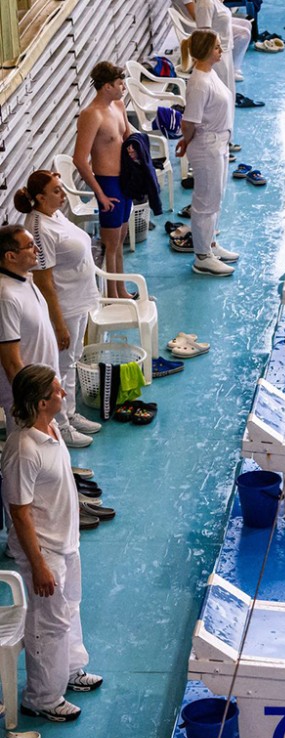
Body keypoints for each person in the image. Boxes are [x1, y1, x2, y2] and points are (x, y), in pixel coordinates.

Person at [3, 365, 103, 723]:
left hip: (65, 542)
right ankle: (42, 696)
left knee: (69, 608)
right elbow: (19, 512)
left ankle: (71, 669)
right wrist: (39, 565)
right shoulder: (24, 449)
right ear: (42, 401)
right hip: (43, 550)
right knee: (48, 622)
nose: (64, 394)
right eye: (58, 391)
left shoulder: (51, 428)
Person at [14, 171, 103, 448]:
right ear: (40, 198)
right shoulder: (38, 228)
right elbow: (44, 280)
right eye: (56, 190)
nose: (62, 194)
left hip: (78, 302)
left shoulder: (55, 215)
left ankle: (71, 413)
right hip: (63, 308)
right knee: (58, 368)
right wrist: (59, 322)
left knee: (72, 360)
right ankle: (61, 425)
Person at [177, 30, 238, 276]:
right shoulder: (200, 83)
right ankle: (202, 257)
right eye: (216, 47)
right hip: (206, 145)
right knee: (205, 202)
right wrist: (186, 142)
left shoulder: (209, 74)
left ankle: (210, 244)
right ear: (205, 52)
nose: (220, 50)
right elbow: (189, 122)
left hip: (219, 142)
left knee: (215, 198)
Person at [72, 61, 134, 300]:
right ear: (106, 86)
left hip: (125, 180)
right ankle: (112, 295)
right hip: (108, 182)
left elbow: (128, 137)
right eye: (120, 84)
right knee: (110, 243)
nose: (123, 88)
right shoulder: (90, 115)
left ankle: (121, 290)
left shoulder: (118, 105)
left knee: (121, 238)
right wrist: (99, 193)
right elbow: (79, 159)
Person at [0, 226, 61, 432]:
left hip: (44, 392)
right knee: (27, 456)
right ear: (11, 256)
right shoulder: (6, 297)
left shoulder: (25, 279)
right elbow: (11, 361)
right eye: (29, 246)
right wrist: (31, 404)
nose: (36, 249)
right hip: (31, 399)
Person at [183, 0, 250, 81]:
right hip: (200, 27)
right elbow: (204, 31)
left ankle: (234, 67)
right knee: (243, 33)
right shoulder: (205, 4)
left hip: (222, 43)